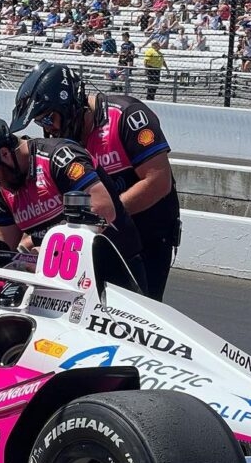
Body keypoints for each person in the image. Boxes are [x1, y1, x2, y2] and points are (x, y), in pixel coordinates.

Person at [10, 62, 181, 301]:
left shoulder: (127, 115)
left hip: (149, 234)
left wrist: (102, 214)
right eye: (41, 123)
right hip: (102, 237)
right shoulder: (62, 144)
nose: (48, 129)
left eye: (49, 119)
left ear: (68, 104)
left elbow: (158, 182)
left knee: (139, 313)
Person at [0, 115, 145, 288]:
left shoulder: (60, 158)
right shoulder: (6, 189)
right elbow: (2, 240)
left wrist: (50, 252)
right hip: (65, 282)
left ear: (5, 154)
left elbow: (103, 210)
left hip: (116, 271)